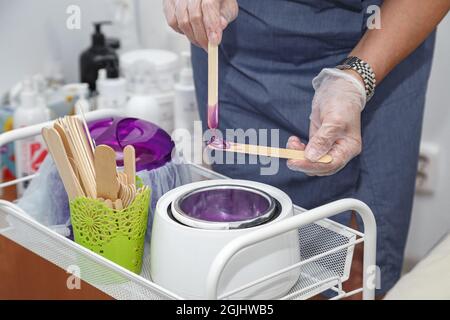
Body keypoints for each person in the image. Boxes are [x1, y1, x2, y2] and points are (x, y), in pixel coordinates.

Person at [163, 0, 450, 297]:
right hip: (239, 44)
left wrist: (355, 81)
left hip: (378, 42)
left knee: (354, 266)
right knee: (247, 258)